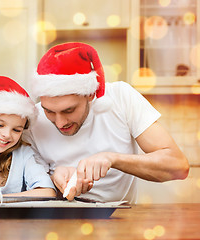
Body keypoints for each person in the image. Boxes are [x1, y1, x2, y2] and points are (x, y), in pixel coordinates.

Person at [23, 42, 189, 203]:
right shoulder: (33, 120)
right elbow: (24, 186)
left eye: (69, 110)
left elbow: (178, 166)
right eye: (49, 111)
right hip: (57, 222)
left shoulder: (121, 97)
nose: (59, 123)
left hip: (119, 220)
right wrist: (53, 179)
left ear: (90, 94)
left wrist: (113, 159)